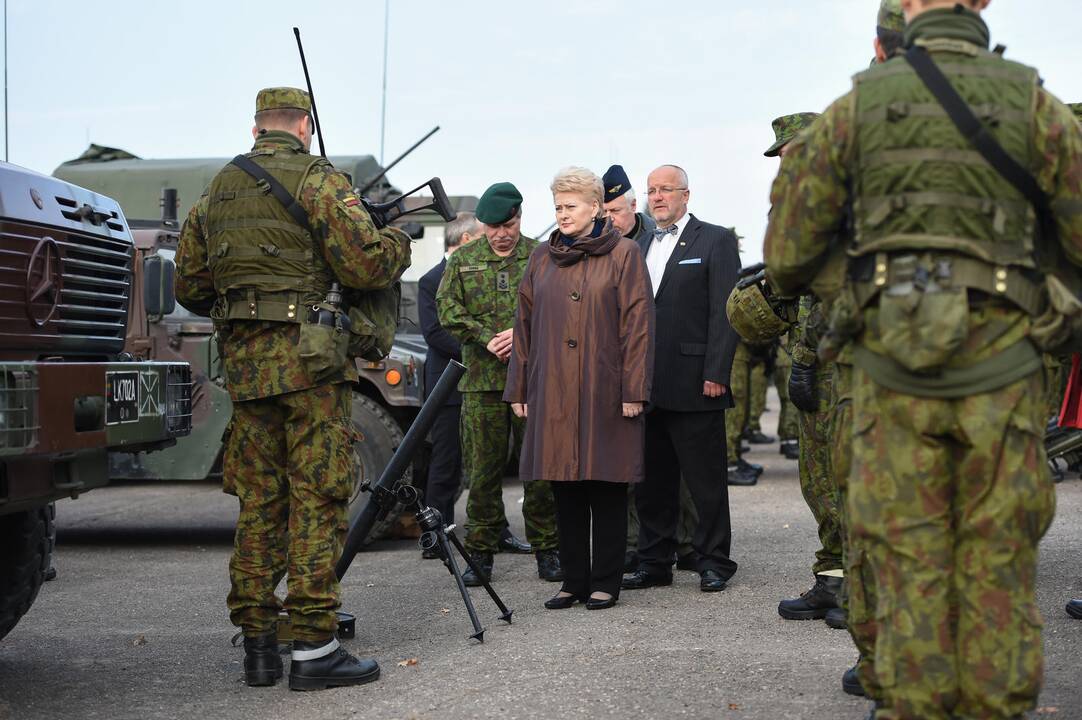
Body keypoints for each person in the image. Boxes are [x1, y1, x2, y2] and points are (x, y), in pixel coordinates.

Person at [764, 0, 1082, 716]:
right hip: (1004, 379)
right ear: (985, 4)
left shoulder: (852, 112)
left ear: (903, 11)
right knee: (997, 564)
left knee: (905, 566)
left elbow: (786, 256)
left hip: (888, 380)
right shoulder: (1038, 107)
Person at [175, 87, 411, 690]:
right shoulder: (319, 180)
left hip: (249, 373)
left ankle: (259, 645)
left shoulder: (218, 192)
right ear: (305, 125)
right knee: (318, 496)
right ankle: (312, 647)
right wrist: (397, 243)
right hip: (312, 369)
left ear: (257, 128)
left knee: (258, 503)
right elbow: (367, 267)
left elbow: (191, 288)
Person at [505, 167, 654, 611]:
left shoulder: (625, 254)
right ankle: (573, 580)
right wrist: (519, 388)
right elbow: (524, 327)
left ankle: (606, 580)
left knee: (605, 485)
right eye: (557, 207)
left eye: (570, 206)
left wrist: (634, 390)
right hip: (552, 389)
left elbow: (639, 326)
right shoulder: (540, 259)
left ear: (594, 208)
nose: (562, 215)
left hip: (605, 388)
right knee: (564, 487)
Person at [622, 164, 741, 594]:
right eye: (651, 190)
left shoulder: (716, 240)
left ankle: (714, 561)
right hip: (647, 386)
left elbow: (726, 313)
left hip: (696, 383)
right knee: (652, 482)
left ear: (686, 195)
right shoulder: (637, 246)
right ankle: (655, 561)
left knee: (704, 481)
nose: (657, 197)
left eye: (666, 190)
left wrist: (717, 372)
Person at [436, 182, 561, 586]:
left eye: (507, 225)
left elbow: (560, 306)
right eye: (492, 227)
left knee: (539, 470)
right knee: (483, 472)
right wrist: (485, 335)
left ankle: (548, 550)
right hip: (481, 383)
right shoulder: (464, 259)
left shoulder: (542, 256)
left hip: (532, 380)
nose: (500, 234)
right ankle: (482, 552)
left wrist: (519, 333)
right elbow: (446, 307)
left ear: (520, 218)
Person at [602, 164, 699, 571]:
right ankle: (637, 544)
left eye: (616, 213)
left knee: (675, 465)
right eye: (603, 214)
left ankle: (689, 542)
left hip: (665, 367)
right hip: (620, 369)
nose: (610, 221)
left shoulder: (653, 240)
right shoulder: (601, 248)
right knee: (630, 462)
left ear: (632, 207)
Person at [418, 212, 532, 559]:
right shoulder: (431, 279)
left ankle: (500, 532)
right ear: (468, 239)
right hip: (452, 383)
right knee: (449, 463)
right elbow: (437, 331)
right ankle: (436, 535)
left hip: (493, 374)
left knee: (501, 462)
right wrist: (488, 345)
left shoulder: (523, 260)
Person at [601, 164, 657, 244]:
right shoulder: (593, 240)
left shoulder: (658, 234)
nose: (609, 218)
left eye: (616, 210)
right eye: (604, 212)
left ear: (633, 205)